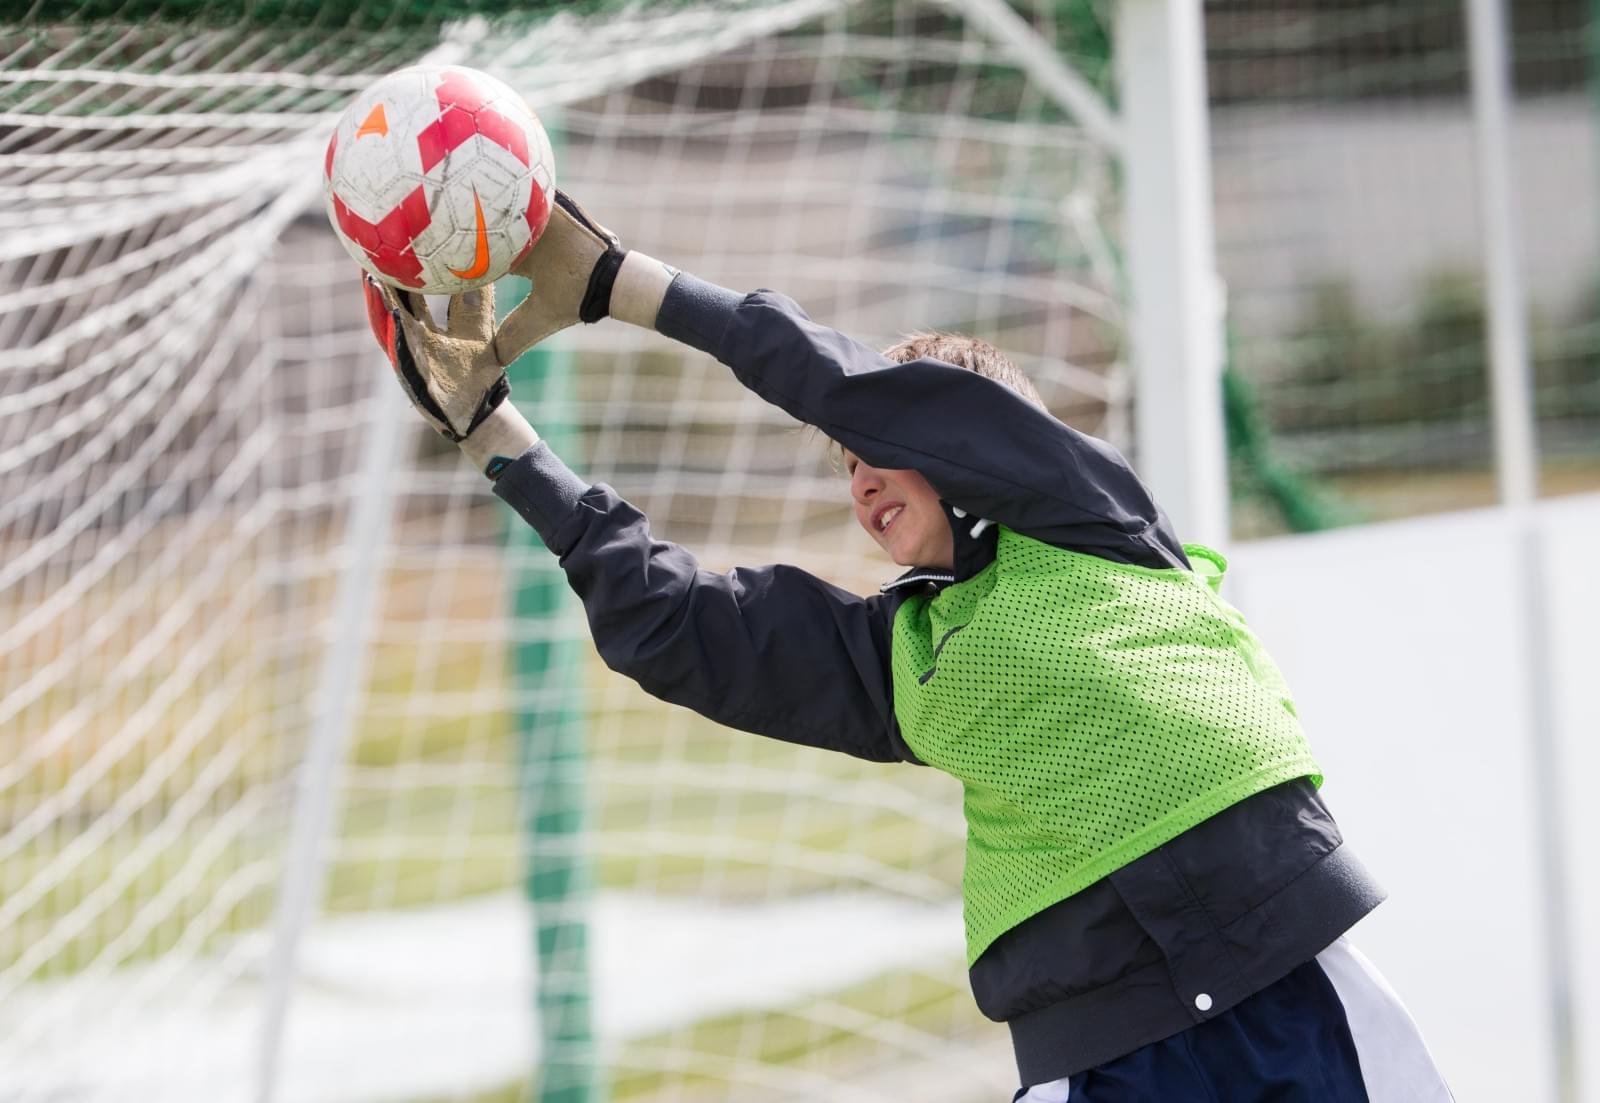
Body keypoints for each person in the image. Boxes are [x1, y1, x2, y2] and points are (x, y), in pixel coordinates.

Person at [360, 191, 1454, 1101]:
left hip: (1289, 984)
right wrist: (500, 437)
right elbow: (683, 626)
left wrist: (618, 284)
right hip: (1098, 1043)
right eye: (842, 466)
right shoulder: (902, 657)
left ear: (970, 444)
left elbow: (859, 390)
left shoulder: (1089, 519)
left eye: (878, 451)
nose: (861, 476)